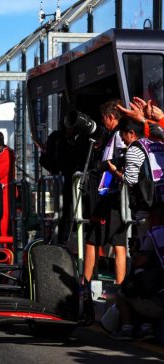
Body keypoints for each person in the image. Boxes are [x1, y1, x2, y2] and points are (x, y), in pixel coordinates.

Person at [84, 100, 128, 290]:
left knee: (94, 239)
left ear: (111, 117)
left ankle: (87, 284)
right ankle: (118, 286)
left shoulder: (120, 135)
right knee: (109, 242)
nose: (103, 124)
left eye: (104, 120)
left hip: (112, 195)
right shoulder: (111, 135)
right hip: (109, 194)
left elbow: (123, 158)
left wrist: (105, 166)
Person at [112, 206, 164, 340]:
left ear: (154, 220)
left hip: (159, 302)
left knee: (125, 291)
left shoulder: (156, 233)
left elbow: (140, 261)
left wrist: (134, 252)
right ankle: (146, 326)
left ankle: (128, 328)